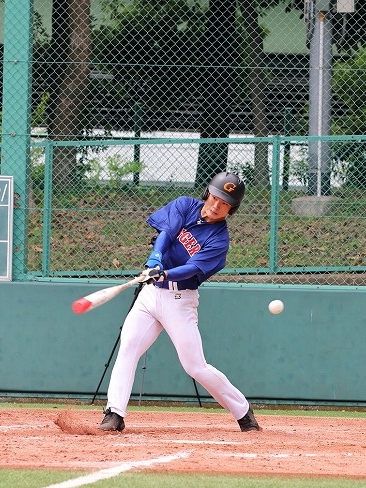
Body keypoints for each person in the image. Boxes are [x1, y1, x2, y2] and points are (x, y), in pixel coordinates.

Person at [99, 172, 261, 433]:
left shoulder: (219, 240)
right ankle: (114, 414)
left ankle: (243, 411)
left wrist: (164, 273)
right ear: (207, 192)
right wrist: (155, 257)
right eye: (215, 197)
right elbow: (167, 231)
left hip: (179, 300)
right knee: (128, 347)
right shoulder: (185, 205)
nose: (216, 205)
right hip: (150, 295)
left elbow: (192, 269)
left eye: (225, 203)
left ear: (232, 209)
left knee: (195, 366)